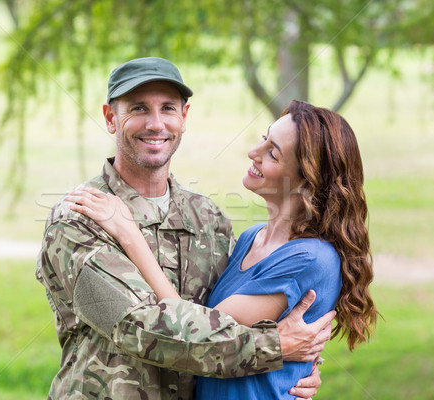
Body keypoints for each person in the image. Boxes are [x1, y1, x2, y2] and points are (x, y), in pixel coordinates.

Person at [36, 57, 334, 400]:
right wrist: (276, 349)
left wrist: (295, 370)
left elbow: (236, 318)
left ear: (184, 117)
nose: (155, 123)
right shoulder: (78, 220)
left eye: (167, 108)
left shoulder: (210, 220)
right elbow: (140, 328)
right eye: (138, 108)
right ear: (110, 119)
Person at [69, 100, 378, 399]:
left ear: (305, 180)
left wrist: (128, 232)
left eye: (272, 153)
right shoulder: (250, 238)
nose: (253, 153)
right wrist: (295, 359)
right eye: (263, 140)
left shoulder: (309, 258)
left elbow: (197, 333)